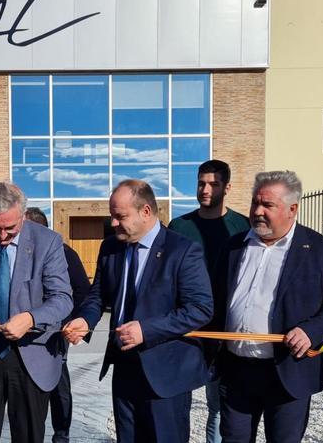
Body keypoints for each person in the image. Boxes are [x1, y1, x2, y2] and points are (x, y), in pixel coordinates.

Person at [211, 171, 323, 443]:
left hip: (288, 371)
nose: (257, 211)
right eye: (255, 203)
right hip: (237, 371)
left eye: (268, 205)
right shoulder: (233, 246)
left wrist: (311, 332)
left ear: (293, 209)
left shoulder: (319, 249)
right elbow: (215, 300)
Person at [63, 179, 214, 443]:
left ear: (145, 212)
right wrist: (84, 320)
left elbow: (200, 309)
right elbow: (98, 295)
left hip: (166, 374)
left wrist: (146, 330)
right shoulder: (111, 248)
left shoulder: (183, 250)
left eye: (120, 216)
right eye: (112, 216)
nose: (113, 224)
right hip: (124, 368)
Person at [0, 181, 73, 443]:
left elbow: (63, 299)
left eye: (11, 228)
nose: (4, 236)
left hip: (33, 355)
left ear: (22, 215)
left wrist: (30, 318)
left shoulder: (48, 242)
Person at [167, 159, 249, 443]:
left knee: (218, 404)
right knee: (179, 402)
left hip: (225, 328)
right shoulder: (179, 226)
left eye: (213, 184)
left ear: (227, 187)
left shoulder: (242, 226)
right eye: (201, 183)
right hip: (186, 328)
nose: (205, 189)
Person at [23, 207, 91, 443]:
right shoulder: (21, 254)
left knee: (57, 382)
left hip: (56, 334)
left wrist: (70, 322)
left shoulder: (64, 252)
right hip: (26, 332)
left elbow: (83, 290)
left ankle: (61, 434)